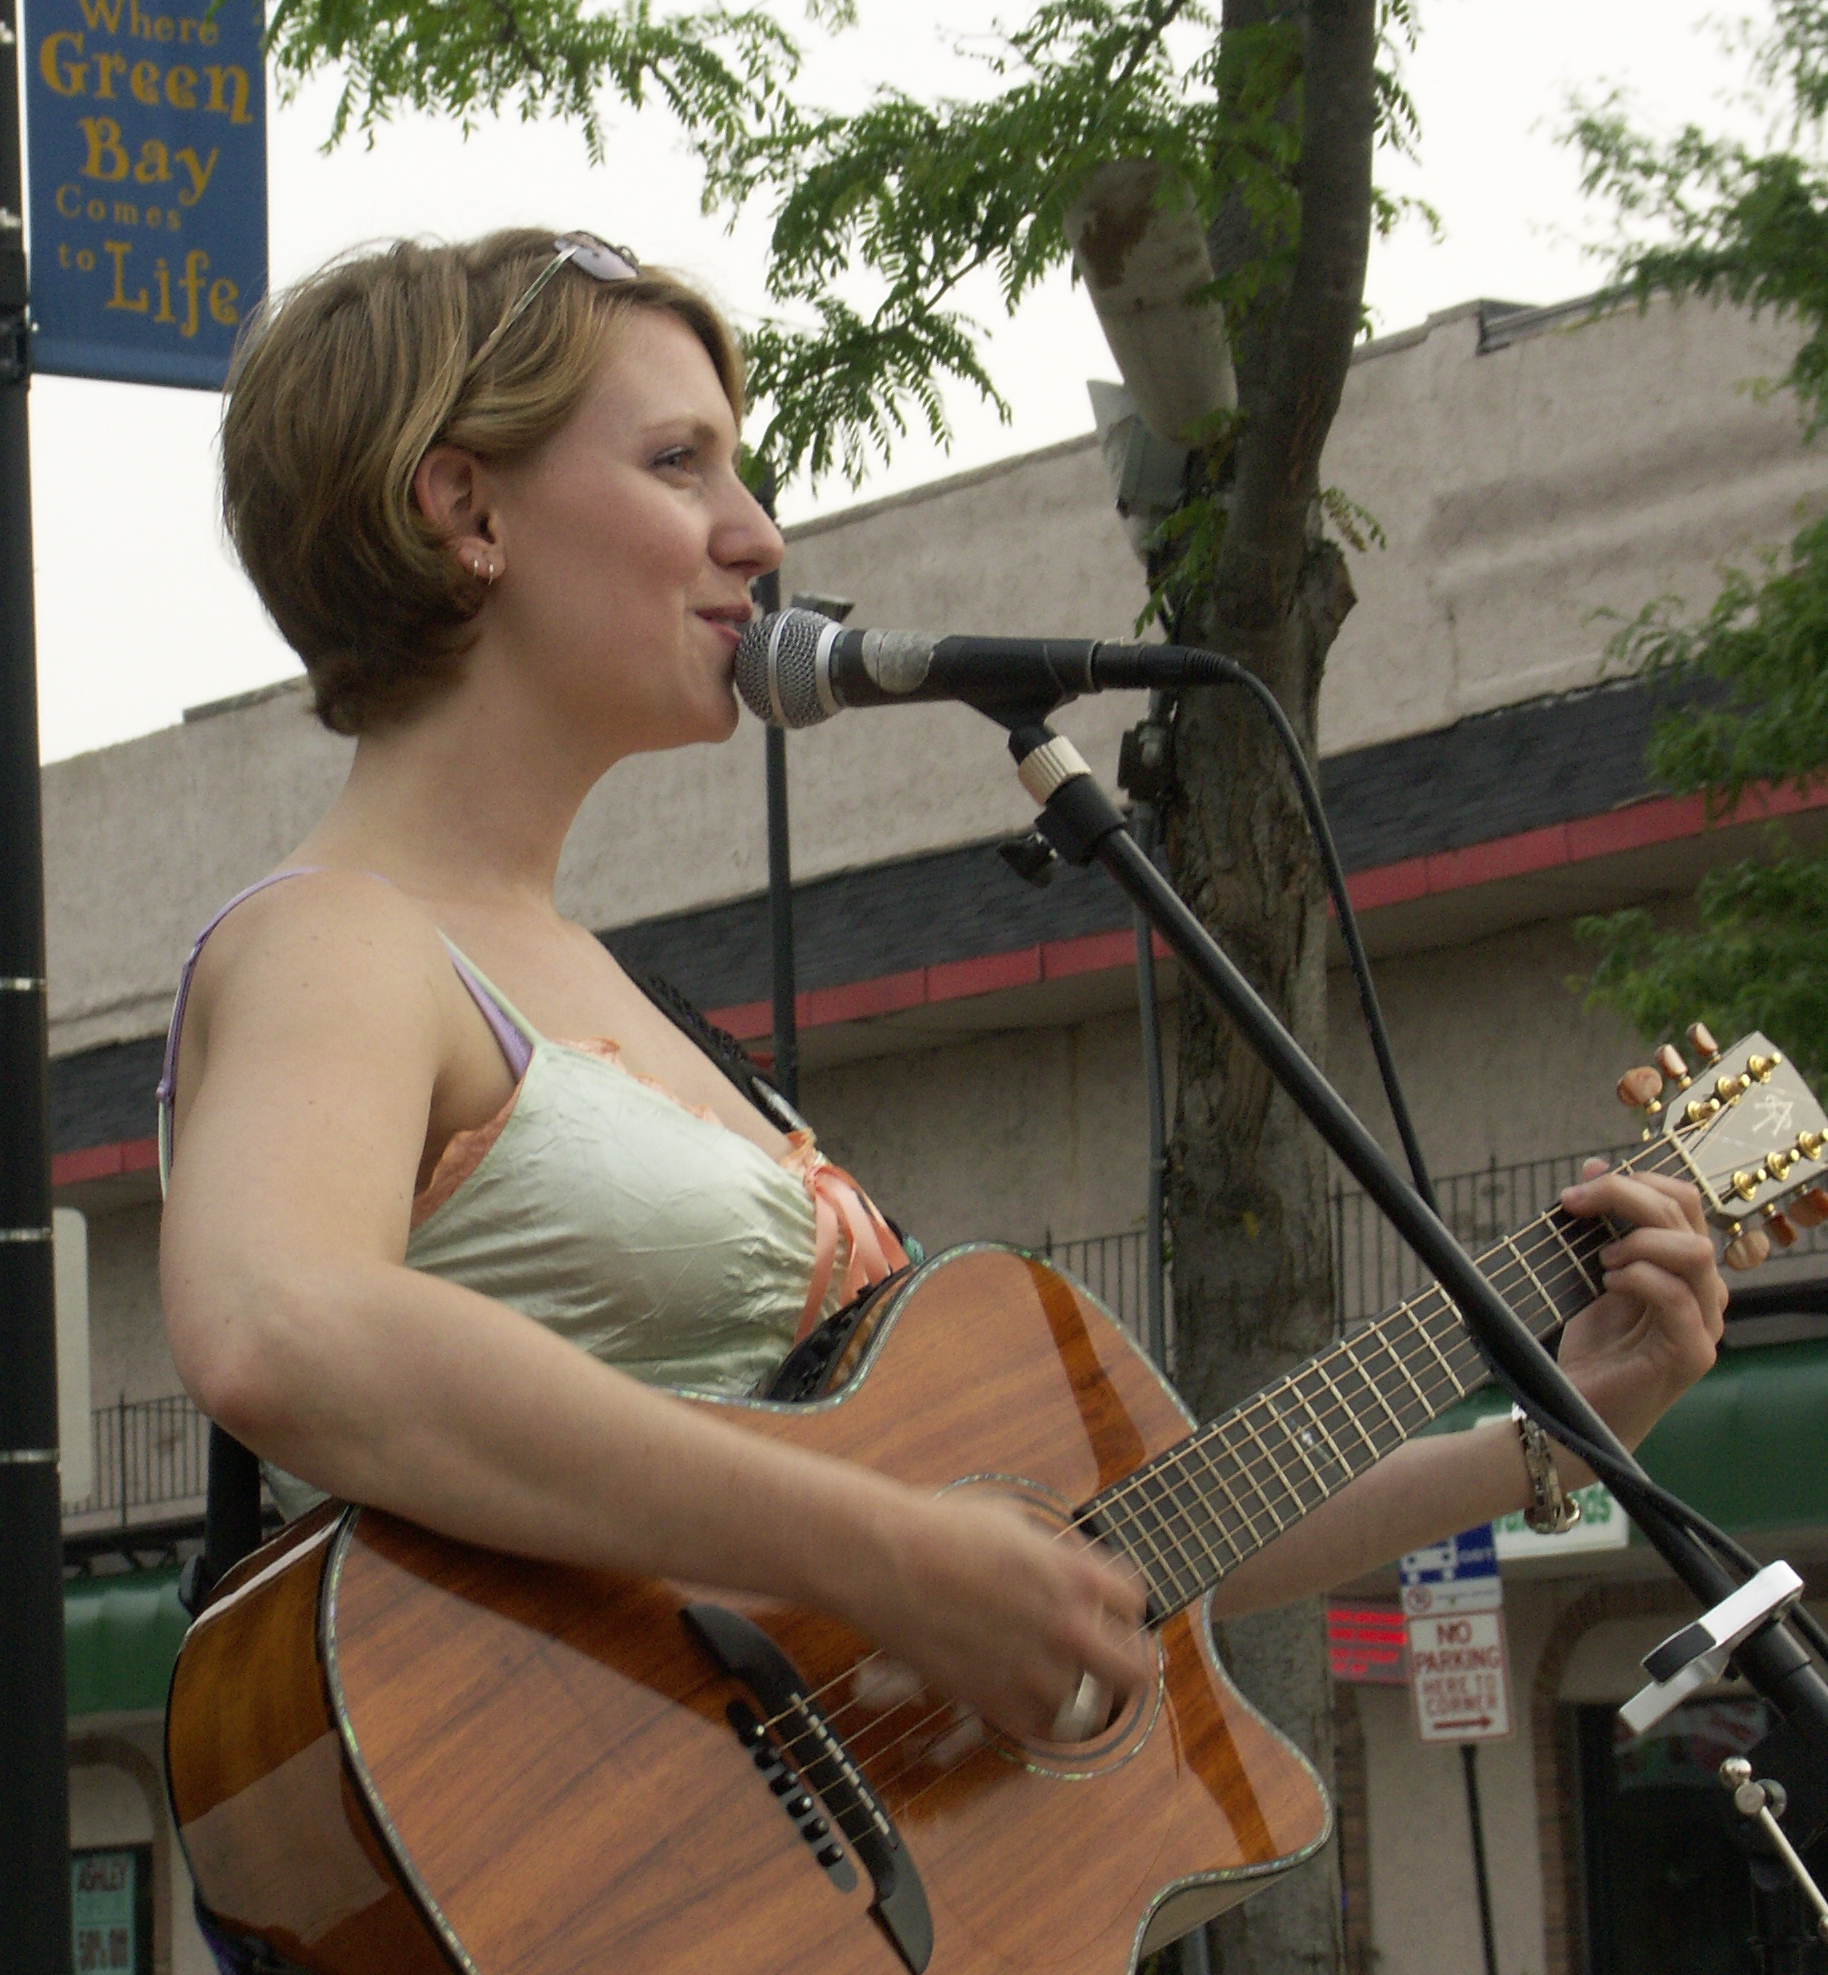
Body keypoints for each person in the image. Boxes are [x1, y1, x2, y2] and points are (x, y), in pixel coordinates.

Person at [158, 226, 1727, 1764]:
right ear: (462, 507)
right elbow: (280, 1328)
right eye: (677, 463)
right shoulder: (338, 941)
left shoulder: (633, 1005)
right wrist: (885, 1551)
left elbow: (1085, 1559)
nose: (759, 532)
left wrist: (1549, 1434)